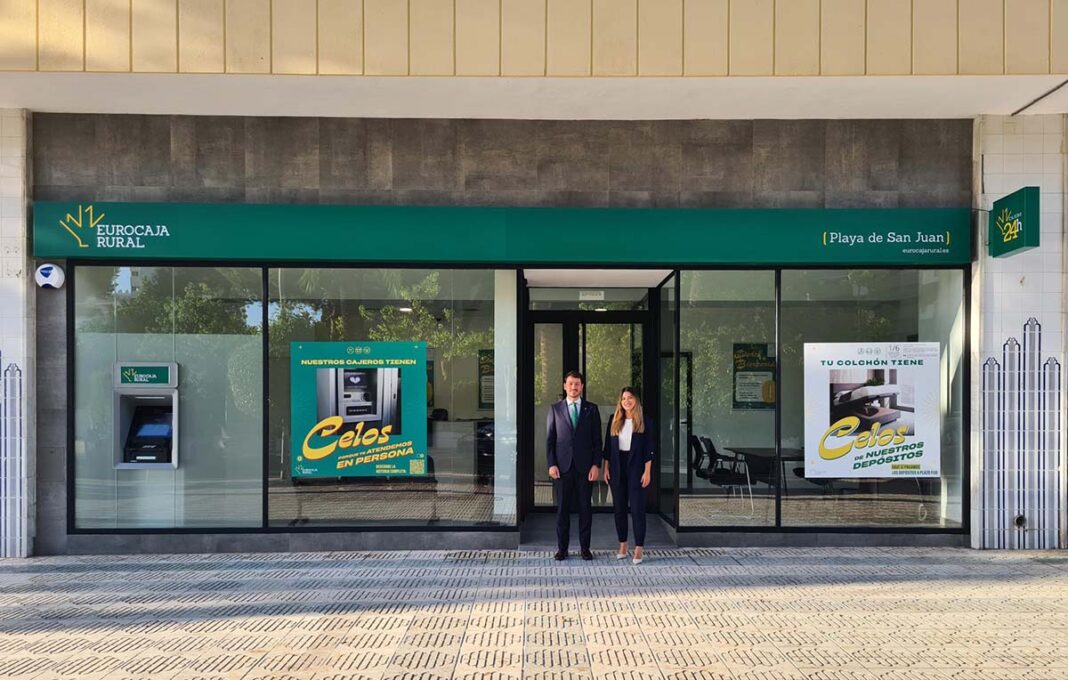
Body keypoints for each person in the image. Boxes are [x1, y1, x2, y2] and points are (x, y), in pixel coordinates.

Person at [546, 371, 602, 561]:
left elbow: (597, 441)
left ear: (582, 387)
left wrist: (596, 465)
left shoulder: (591, 409)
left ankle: (585, 548)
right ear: (565, 386)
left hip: (585, 469)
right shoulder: (555, 409)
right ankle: (562, 549)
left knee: (585, 509)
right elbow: (550, 440)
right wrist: (551, 464)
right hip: (562, 468)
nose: (573, 387)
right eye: (570, 384)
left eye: (577, 384)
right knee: (562, 509)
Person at [602, 386, 653, 565]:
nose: (626, 401)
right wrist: (606, 468)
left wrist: (647, 471)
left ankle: (639, 547)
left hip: (637, 468)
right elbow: (608, 448)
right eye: (623, 398)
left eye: (630, 398)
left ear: (636, 400)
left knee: (637, 510)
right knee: (619, 509)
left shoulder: (645, 421)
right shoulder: (614, 420)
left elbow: (649, 449)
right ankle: (623, 544)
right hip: (617, 467)